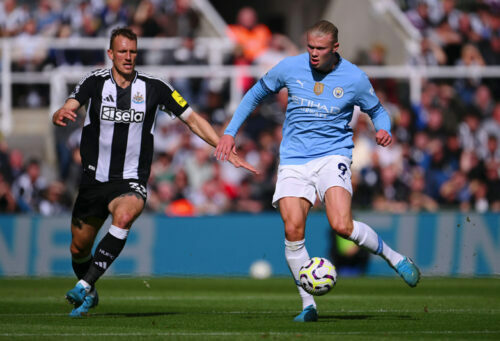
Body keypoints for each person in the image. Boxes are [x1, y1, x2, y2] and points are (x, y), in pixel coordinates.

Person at [215, 20, 420, 322]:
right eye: (310, 46)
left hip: (332, 156)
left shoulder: (354, 78)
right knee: (292, 230)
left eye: (320, 49)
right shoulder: (290, 67)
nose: (313, 53)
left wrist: (383, 129)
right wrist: (231, 132)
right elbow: (255, 94)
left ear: (335, 48)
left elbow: (377, 110)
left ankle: (394, 257)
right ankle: (308, 305)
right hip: (294, 159)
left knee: (341, 225)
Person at [52, 27, 257, 317]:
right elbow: (68, 105)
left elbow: (193, 120)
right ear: (111, 54)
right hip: (93, 179)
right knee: (78, 249)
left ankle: (85, 284)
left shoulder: (154, 87)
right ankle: (90, 287)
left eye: (132, 51)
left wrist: (224, 146)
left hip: (130, 179)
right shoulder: (94, 81)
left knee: (124, 215)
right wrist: (60, 113)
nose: (128, 57)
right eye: (122, 51)